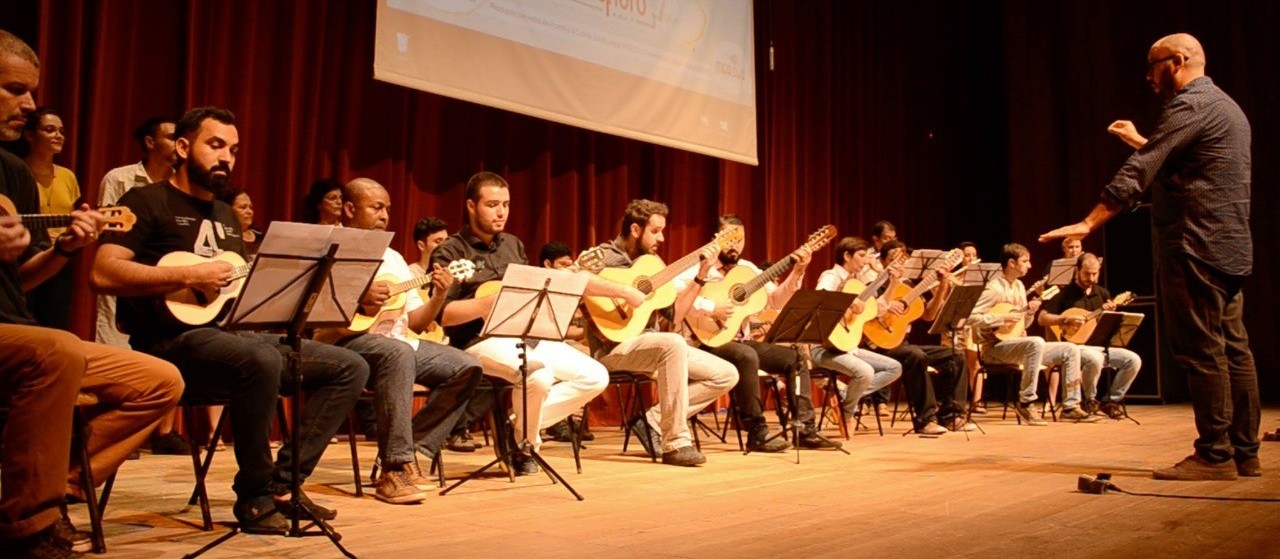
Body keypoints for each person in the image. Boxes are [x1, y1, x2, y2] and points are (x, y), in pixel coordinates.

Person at [93, 106, 369, 532]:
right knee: (260, 361)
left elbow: (235, 292)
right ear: (183, 147)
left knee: (349, 366)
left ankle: (283, 485)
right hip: (168, 347)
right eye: (215, 145)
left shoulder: (224, 215)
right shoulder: (145, 201)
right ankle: (254, 499)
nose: (226, 157)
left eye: (234, 150)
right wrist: (188, 274)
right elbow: (103, 272)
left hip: (228, 340)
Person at [1040, 33, 1258, 480]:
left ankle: (1215, 456)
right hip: (1230, 244)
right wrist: (1143, 140)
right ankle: (1245, 453)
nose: (1148, 76)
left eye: (1153, 64)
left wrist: (1089, 223)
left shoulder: (1190, 105)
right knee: (1235, 350)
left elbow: (1140, 173)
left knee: (1202, 351)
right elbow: (1182, 164)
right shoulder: (1228, 107)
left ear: (1176, 61)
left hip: (1194, 244)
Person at [1, 30, 183, 557]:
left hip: (18, 332)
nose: (31, 105)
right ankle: (28, 529)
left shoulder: (11, 171)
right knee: (54, 348)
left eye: (31, 91)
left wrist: (64, 251)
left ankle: (51, 493)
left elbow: (22, 282)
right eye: (15, 90)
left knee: (161, 379)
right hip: (32, 346)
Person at [431, 172, 644, 473]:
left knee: (595, 376)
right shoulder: (451, 251)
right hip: (478, 342)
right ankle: (525, 447)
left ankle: (516, 426)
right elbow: (443, 315)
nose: (501, 211)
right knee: (538, 375)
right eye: (492, 204)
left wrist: (619, 291)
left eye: (506, 204)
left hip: (526, 336)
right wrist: (487, 304)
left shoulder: (513, 245)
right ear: (470, 205)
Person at [315, 178, 483, 504]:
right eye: (376, 207)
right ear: (350, 209)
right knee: (397, 353)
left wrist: (439, 295)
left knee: (467, 367)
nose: (385, 215)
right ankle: (394, 469)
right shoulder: (328, 249)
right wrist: (358, 298)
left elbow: (418, 322)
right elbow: (314, 310)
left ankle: (414, 449)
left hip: (401, 341)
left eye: (388, 209)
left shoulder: (392, 258)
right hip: (348, 341)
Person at [583, 200, 739, 466]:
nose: (662, 238)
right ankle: (676, 443)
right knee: (672, 343)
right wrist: (624, 292)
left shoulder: (652, 264)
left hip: (655, 346)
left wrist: (700, 276)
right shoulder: (604, 256)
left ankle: (652, 421)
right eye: (655, 231)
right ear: (635, 229)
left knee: (725, 375)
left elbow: (675, 315)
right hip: (612, 347)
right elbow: (578, 280)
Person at [677, 214, 839, 450]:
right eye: (730, 238)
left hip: (740, 340)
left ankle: (805, 429)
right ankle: (757, 432)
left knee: (795, 358)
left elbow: (776, 300)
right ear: (716, 238)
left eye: (740, 240)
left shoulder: (748, 269)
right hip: (704, 341)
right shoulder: (699, 265)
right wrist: (712, 308)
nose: (735, 245)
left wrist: (797, 272)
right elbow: (675, 296)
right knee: (747, 356)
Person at [967, 243, 1093, 425]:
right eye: (1025, 261)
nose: (1030, 265)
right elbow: (971, 317)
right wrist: (1001, 318)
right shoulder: (993, 288)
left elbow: (1021, 324)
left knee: (1070, 349)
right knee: (1036, 342)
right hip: (994, 348)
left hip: (1016, 344)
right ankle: (1026, 401)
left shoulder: (1018, 286)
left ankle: (1070, 406)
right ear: (1011, 263)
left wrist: (1029, 313)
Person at [871, 241, 972, 433]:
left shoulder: (909, 287)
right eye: (893, 259)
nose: (898, 264)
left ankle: (951, 415)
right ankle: (925, 420)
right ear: (883, 262)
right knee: (915, 356)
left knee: (954, 355)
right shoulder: (874, 286)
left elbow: (929, 315)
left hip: (902, 343)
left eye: (902, 260)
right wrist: (883, 308)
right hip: (879, 345)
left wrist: (942, 285)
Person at [95, 116, 177, 348]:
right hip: (126, 274)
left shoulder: (180, 184)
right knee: (116, 348)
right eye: (171, 137)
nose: (179, 143)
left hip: (167, 279)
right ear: (150, 142)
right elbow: (107, 232)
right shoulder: (119, 178)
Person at [1037, 253, 1142, 419]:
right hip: (1073, 348)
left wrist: (1108, 314)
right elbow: (1042, 318)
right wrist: (1064, 319)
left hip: (1098, 345)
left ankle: (1111, 401)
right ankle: (1090, 400)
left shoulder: (1102, 294)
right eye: (1087, 274)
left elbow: (1104, 326)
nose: (1091, 278)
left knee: (1133, 360)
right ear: (1076, 271)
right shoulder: (1064, 294)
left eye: (1095, 274)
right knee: (1094, 359)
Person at [810, 236, 902, 422]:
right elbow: (820, 299)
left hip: (847, 347)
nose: (866, 261)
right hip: (824, 347)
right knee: (866, 372)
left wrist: (892, 281)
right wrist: (850, 301)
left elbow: (880, 307)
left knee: (894, 367)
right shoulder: (831, 276)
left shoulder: (856, 284)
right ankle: (847, 414)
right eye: (861, 255)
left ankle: (846, 398)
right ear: (847, 256)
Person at [17, 107, 78, 330]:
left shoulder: (67, 176)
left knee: (56, 326)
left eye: (61, 131)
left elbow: (71, 214)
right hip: (23, 259)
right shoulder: (16, 171)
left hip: (59, 258)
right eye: (50, 130)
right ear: (30, 135)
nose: (58, 136)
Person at [220, 188, 262, 257]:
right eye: (243, 207)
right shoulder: (223, 236)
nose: (249, 212)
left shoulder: (259, 236)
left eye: (250, 207)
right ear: (228, 210)